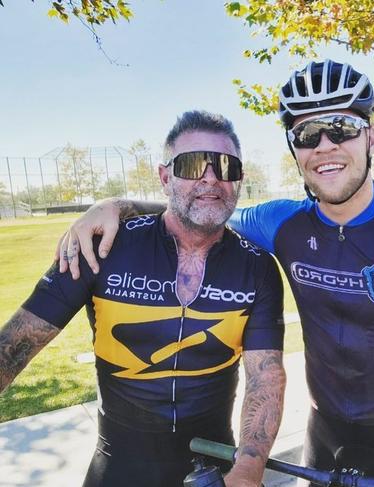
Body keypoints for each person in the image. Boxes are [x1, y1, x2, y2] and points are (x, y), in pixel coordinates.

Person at [55, 60, 374, 483]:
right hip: (324, 437)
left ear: (371, 136)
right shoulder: (281, 223)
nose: (324, 145)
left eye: (341, 127)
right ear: (294, 149)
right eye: (306, 134)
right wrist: (111, 206)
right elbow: (203, 210)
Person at [0, 110, 286, 487]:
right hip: (118, 465)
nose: (211, 178)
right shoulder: (102, 246)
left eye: (225, 167)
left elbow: (265, 379)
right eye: (193, 164)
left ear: (240, 179)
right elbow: (13, 346)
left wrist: (248, 470)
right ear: (165, 177)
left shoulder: (258, 267)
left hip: (215, 466)